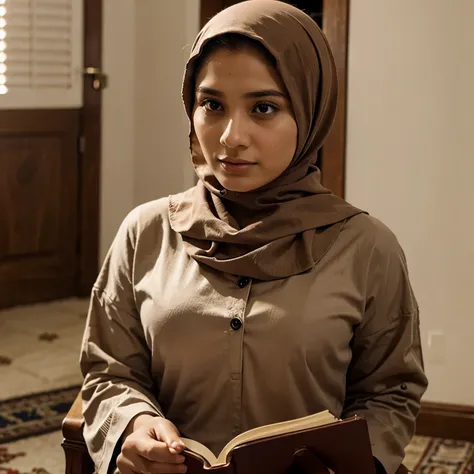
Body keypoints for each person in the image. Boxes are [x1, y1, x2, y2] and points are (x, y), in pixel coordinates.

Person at [79, 2, 428, 474]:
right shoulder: (146, 232)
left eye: (264, 108)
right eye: (212, 105)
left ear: (309, 110)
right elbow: (110, 371)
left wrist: (352, 463)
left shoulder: (367, 247)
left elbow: (391, 392)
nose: (230, 137)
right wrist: (133, 426)